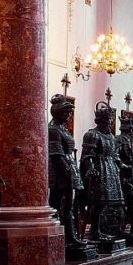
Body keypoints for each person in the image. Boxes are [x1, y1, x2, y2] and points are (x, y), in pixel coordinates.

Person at [48, 94, 87, 250]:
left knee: (69, 206)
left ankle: (71, 237)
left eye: (69, 113)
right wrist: (68, 172)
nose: (68, 116)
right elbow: (56, 154)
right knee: (59, 206)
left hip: (69, 168)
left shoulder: (62, 129)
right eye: (65, 113)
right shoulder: (53, 129)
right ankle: (65, 238)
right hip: (60, 173)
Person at [81, 102, 124, 242]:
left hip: (111, 169)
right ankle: (95, 231)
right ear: (100, 120)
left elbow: (115, 154)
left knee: (113, 202)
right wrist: (91, 167)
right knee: (98, 202)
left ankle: (112, 229)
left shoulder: (112, 137)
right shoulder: (92, 134)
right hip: (100, 169)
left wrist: (120, 165)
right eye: (107, 120)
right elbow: (88, 155)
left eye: (110, 120)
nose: (109, 123)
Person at [115, 113, 133, 239]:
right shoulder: (119, 140)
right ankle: (125, 227)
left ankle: (132, 227)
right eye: (132, 130)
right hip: (123, 176)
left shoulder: (131, 143)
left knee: (132, 202)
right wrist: (124, 166)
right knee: (127, 202)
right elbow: (114, 156)